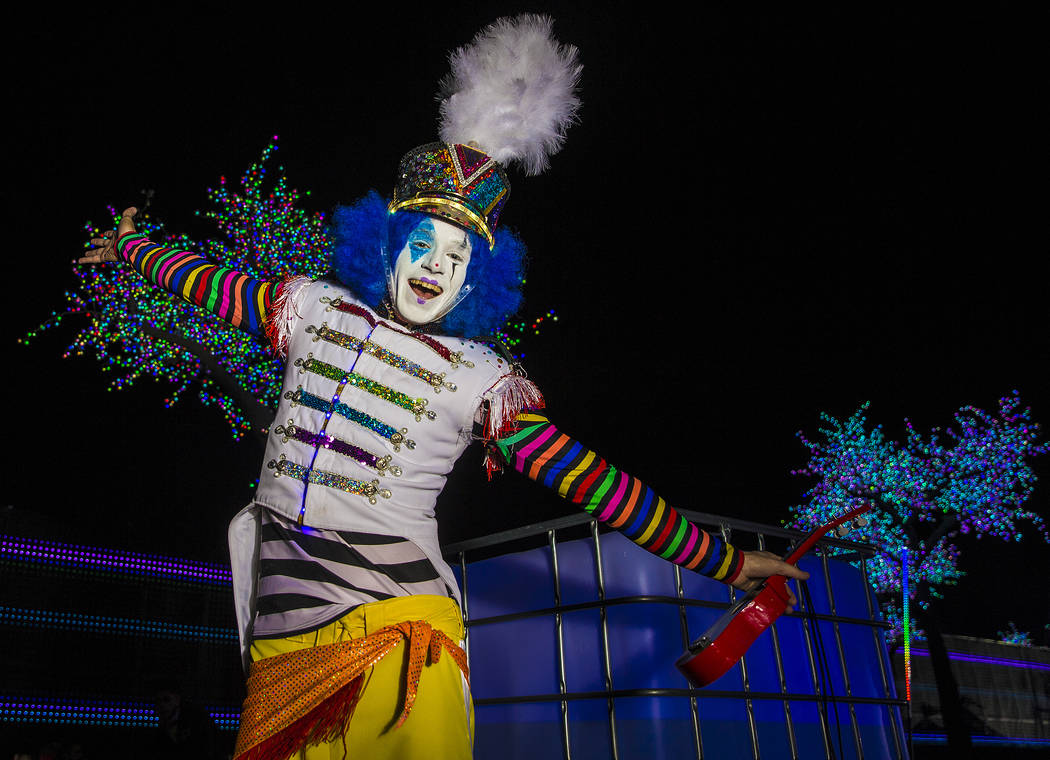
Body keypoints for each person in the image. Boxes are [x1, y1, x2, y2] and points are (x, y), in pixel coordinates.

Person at [79, 15, 807, 760]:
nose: (434, 266)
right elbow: (211, 284)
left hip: (401, 635)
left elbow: (594, 482)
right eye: (420, 244)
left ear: (476, 280)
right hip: (280, 641)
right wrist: (135, 248)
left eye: (456, 257)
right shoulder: (313, 307)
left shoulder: (480, 379)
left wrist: (723, 561)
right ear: (386, 247)